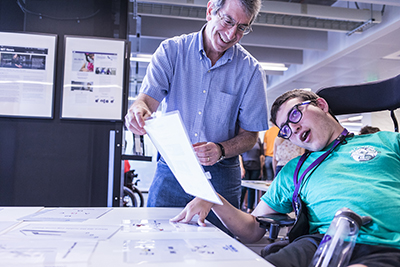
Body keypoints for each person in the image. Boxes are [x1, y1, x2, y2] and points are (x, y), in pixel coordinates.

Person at [172, 89, 400, 267]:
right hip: (320, 243)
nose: (293, 128)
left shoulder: (386, 141)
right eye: (285, 129)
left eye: (295, 114)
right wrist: (213, 199)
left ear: (321, 105)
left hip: (388, 244)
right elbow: (253, 229)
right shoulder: (294, 170)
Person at [125, 0, 269, 232]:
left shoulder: (250, 71)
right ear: (211, 10)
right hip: (172, 170)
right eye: (228, 21)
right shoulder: (172, 51)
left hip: (221, 176)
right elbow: (146, 101)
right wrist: (138, 111)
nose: (232, 34)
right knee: (158, 238)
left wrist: (221, 149)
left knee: (221, 248)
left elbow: (250, 136)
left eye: (242, 27)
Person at [239, 137, 264, 213]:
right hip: (245, 165)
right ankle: (238, 207)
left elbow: (261, 155)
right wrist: (241, 168)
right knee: (243, 188)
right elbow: (239, 155)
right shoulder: (243, 139)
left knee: (252, 188)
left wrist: (261, 169)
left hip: (256, 166)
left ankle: (250, 208)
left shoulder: (258, 140)